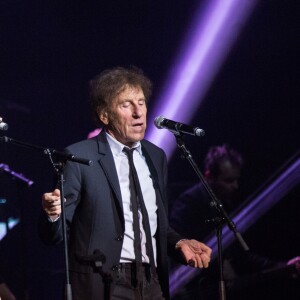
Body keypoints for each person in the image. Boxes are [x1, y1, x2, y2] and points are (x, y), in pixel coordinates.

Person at [39, 66, 212, 300]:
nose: (138, 113)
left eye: (141, 102)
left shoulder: (156, 156)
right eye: (126, 105)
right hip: (104, 283)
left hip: (152, 282)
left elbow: (151, 223)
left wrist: (178, 242)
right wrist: (52, 214)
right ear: (104, 115)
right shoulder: (78, 157)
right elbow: (55, 236)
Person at [169, 144, 300, 299]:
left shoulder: (226, 206)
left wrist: (281, 267)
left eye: (236, 180)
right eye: (229, 180)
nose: (235, 186)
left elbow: (240, 255)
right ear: (208, 176)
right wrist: (215, 264)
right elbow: (176, 250)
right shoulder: (189, 203)